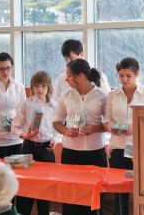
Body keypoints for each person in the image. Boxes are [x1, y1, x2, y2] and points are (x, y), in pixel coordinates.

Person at [53, 58, 107, 215]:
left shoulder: (101, 96)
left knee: (94, 201)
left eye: (69, 75)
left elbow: (110, 125)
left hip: (95, 154)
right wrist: (66, 131)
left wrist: (95, 128)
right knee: (71, 199)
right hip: (71, 153)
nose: (66, 79)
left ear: (81, 76)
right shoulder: (66, 95)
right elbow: (56, 122)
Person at [104, 57, 144, 215]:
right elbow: (107, 120)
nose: (124, 79)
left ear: (137, 74)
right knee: (120, 191)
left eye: (128, 76)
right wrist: (111, 128)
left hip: (139, 147)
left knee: (141, 188)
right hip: (118, 146)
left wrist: (134, 128)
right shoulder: (112, 95)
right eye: (121, 75)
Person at [11, 71, 56, 215]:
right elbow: (14, 127)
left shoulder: (55, 105)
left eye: (43, 85)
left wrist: (56, 139)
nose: (39, 89)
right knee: (25, 190)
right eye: (36, 86)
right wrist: (24, 134)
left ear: (48, 87)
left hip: (47, 149)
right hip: (28, 147)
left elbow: (59, 127)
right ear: (32, 87)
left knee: (46, 191)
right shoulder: (26, 103)